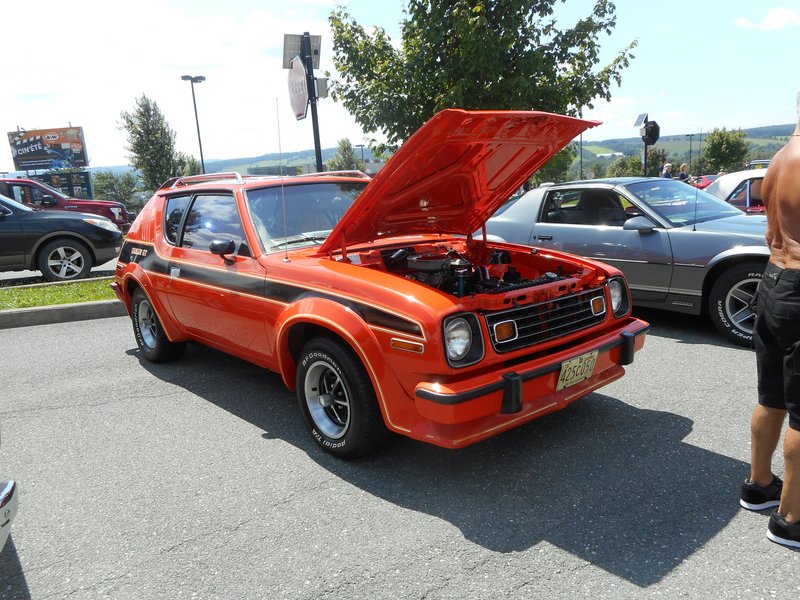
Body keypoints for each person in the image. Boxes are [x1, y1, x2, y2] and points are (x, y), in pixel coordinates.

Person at [740, 88, 800, 548]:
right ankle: (791, 520)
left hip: (772, 281)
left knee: (771, 395)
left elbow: (771, 230)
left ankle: (759, 485)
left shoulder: (778, 160)